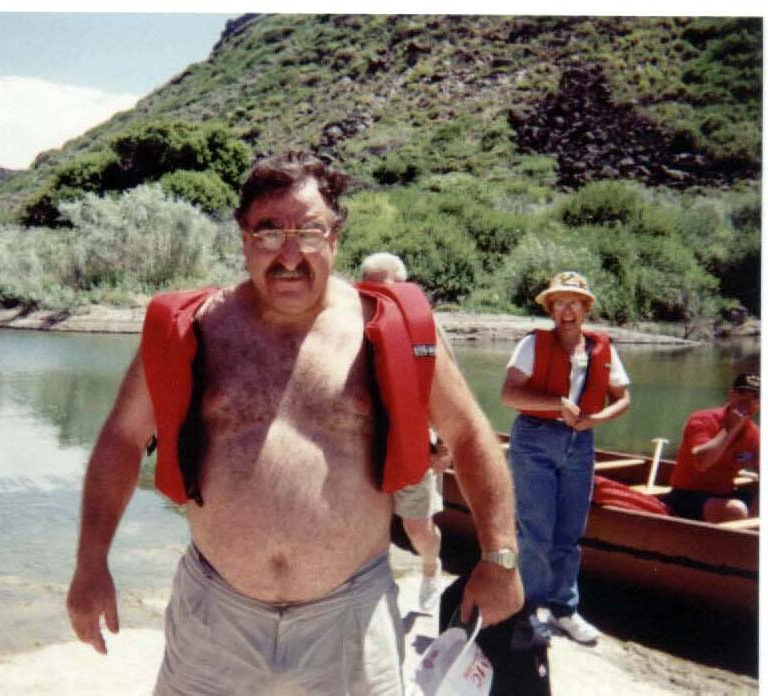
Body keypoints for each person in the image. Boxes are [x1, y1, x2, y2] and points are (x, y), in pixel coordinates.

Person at [66, 150, 523, 694]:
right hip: (214, 616)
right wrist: (91, 563)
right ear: (243, 238)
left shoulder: (388, 330)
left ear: (335, 237)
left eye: (308, 231)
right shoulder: (194, 330)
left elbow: (469, 433)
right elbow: (122, 438)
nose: (289, 255)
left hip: (349, 619)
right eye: (268, 231)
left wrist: (499, 556)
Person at [500, 271, 630, 646]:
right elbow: (509, 395)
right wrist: (557, 405)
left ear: (586, 308)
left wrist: (596, 419)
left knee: (570, 533)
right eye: (559, 303)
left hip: (581, 442)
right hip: (535, 440)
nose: (567, 310)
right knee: (536, 531)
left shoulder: (602, 348)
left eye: (574, 303)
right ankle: (529, 610)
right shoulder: (532, 344)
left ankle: (564, 610)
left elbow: (623, 398)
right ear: (551, 309)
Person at [359, 251, 452, 611]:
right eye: (377, 286)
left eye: (395, 285)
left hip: (413, 443)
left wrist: (444, 445)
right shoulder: (349, 322)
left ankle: (430, 568)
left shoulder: (424, 324)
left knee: (418, 528)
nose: (387, 293)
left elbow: (447, 389)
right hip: (364, 446)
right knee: (365, 524)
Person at [665, 372, 760, 523]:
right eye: (742, 393)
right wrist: (730, 429)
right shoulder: (703, 420)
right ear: (731, 395)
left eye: (755, 397)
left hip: (723, 496)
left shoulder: (754, 434)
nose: (747, 401)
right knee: (735, 510)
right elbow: (702, 462)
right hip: (685, 497)